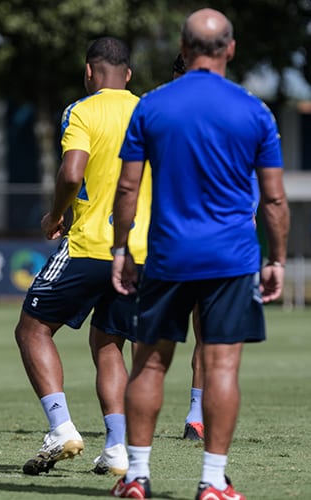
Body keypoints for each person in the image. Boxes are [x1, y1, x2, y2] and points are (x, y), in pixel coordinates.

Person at [110, 8, 289, 499]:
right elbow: (273, 199)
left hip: (168, 255)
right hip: (232, 259)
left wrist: (121, 247)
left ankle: (136, 477)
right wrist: (276, 258)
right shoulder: (254, 110)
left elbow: (128, 188)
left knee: (149, 364)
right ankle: (212, 483)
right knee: (222, 368)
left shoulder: (151, 105)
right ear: (230, 49)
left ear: (184, 49)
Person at [15, 37, 151, 477]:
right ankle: (115, 448)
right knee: (110, 342)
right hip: (143, 252)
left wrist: (57, 214)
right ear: (127, 74)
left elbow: (72, 171)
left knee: (32, 329)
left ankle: (60, 427)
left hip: (91, 245)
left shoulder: (81, 110)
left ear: (89, 72)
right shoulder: (151, 111)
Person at [172, 53, 206, 441]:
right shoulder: (158, 114)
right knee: (150, 337)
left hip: (205, 237)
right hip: (166, 235)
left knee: (206, 331)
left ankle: (196, 416)